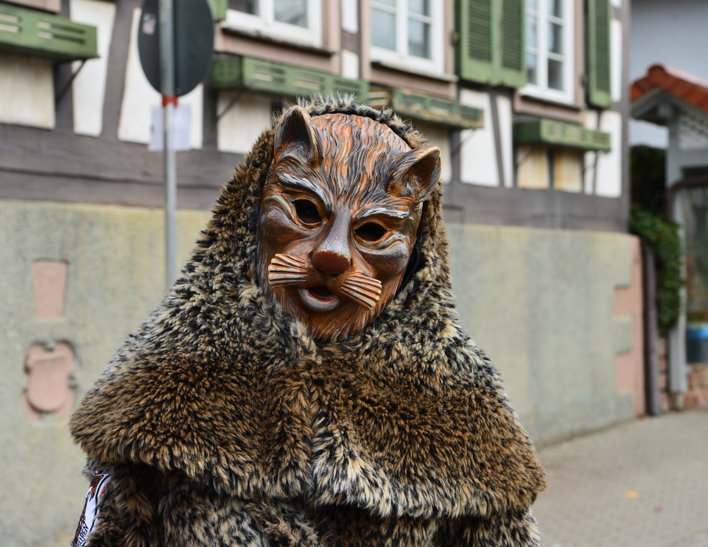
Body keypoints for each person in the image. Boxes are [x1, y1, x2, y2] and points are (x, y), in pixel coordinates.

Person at [70, 98, 545, 546]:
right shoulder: (163, 381)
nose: (332, 254)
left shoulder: (459, 404)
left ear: (418, 252)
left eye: (373, 232)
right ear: (248, 216)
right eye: (304, 212)